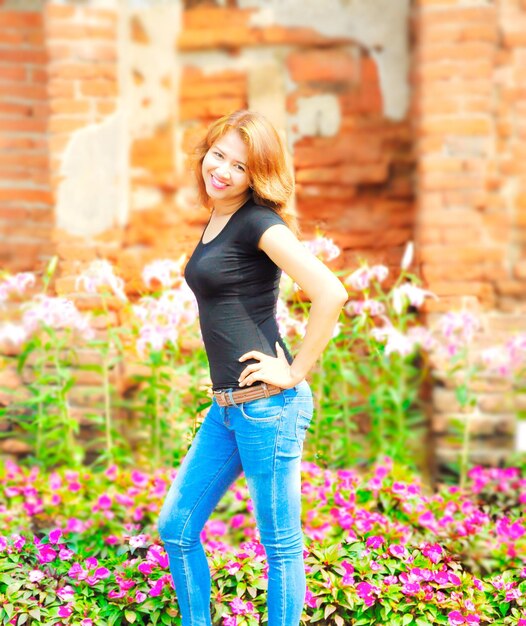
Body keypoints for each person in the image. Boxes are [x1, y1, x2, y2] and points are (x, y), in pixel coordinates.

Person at [157, 110, 348, 626]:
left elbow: (331, 292)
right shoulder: (220, 214)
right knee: (175, 527)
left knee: (281, 545)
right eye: (218, 155)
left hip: (270, 407)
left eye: (239, 166)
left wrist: (294, 372)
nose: (221, 170)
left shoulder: (260, 222)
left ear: (256, 175)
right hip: (227, 408)